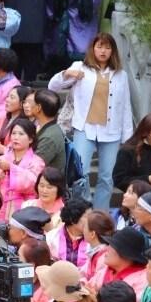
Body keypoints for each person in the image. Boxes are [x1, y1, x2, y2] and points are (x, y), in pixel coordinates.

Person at [48, 34, 132, 208]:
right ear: (93, 48)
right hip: (84, 127)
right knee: (80, 172)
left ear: (113, 51)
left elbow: (125, 106)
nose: (103, 51)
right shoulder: (80, 68)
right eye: (100, 47)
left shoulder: (120, 75)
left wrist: (128, 136)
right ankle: (82, 209)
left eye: (107, 48)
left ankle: (101, 214)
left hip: (111, 131)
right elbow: (53, 86)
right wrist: (66, 74)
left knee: (106, 176)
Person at [0, 117, 44, 219]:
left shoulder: (37, 162)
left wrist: (11, 168)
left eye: (21, 134)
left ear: (30, 139)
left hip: (24, 212)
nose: (16, 137)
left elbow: (34, 184)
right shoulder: (2, 159)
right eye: (13, 133)